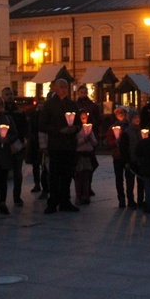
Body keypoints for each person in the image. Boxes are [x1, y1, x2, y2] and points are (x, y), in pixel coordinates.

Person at [39, 78, 81, 214]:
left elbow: (80, 123)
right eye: (61, 86)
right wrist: (59, 130)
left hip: (69, 145)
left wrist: (74, 128)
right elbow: (42, 125)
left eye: (65, 87)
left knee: (67, 174)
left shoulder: (72, 105)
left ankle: (65, 201)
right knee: (55, 175)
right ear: (55, 88)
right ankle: (53, 202)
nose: (64, 89)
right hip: (56, 145)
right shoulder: (49, 105)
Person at [2, 87, 29, 207]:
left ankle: (17, 197)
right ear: (3, 96)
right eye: (7, 94)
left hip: (18, 145)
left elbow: (25, 127)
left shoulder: (19, 111)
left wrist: (25, 140)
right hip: (4, 145)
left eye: (11, 94)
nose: (10, 96)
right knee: (3, 173)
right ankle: (1, 198)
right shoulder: (0, 112)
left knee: (18, 173)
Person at [75, 84, 102, 195]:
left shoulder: (92, 106)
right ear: (78, 93)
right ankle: (80, 188)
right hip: (79, 137)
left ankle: (87, 186)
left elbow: (99, 119)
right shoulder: (75, 105)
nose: (83, 94)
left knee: (90, 164)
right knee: (78, 166)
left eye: (85, 92)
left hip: (90, 137)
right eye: (81, 92)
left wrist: (91, 125)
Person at [118, 109, 144, 209]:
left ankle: (141, 200)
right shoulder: (127, 133)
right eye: (135, 118)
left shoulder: (142, 131)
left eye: (138, 117)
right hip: (131, 160)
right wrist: (126, 161)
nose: (137, 120)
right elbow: (124, 149)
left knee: (141, 182)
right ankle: (131, 201)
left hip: (140, 161)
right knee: (130, 182)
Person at [107, 107, 131, 208]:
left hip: (129, 156)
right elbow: (109, 142)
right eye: (118, 113)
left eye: (122, 113)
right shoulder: (113, 127)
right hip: (118, 155)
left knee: (130, 178)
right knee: (119, 178)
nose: (121, 114)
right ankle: (121, 198)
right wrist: (114, 142)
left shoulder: (130, 127)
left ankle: (130, 199)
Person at [74, 109, 98, 205]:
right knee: (79, 177)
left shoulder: (89, 129)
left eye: (86, 117)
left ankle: (86, 195)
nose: (84, 119)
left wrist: (90, 139)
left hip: (87, 155)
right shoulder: (77, 129)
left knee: (86, 177)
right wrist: (84, 139)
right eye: (82, 117)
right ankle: (78, 196)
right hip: (79, 156)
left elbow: (95, 142)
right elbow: (75, 143)